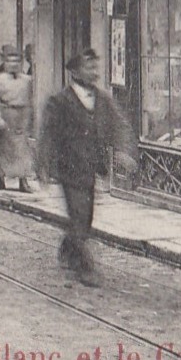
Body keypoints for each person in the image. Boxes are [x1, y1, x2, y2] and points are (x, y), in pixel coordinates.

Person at [37, 49, 130, 287]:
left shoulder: (102, 99)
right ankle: (84, 267)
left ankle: (68, 247)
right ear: (75, 72)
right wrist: (43, 166)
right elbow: (48, 135)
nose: (94, 72)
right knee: (79, 214)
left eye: (95, 67)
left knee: (85, 217)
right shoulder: (59, 102)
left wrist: (121, 151)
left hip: (91, 168)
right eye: (89, 67)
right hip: (68, 168)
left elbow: (117, 126)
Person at [0, 44, 35, 192]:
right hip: (5, 115)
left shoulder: (26, 80)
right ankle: (1, 177)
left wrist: (28, 118)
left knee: (22, 149)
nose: (13, 64)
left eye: (16, 61)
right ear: (5, 63)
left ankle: (23, 181)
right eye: (10, 61)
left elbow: (29, 100)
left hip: (20, 116)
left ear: (20, 63)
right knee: (2, 150)